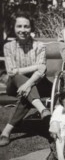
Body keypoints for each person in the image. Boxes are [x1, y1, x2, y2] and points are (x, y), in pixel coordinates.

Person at [0, 11, 52, 146]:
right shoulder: (8, 46)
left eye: (26, 26)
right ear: (14, 28)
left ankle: (6, 131)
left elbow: (42, 71)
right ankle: (42, 110)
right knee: (18, 76)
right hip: (14, 85)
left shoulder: (39, 46)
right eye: (19, 26)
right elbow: (11, 72)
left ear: (31, 28)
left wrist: (28, 84)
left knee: (28, 91)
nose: (23, 30)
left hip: (35, 84)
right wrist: (29, 69)